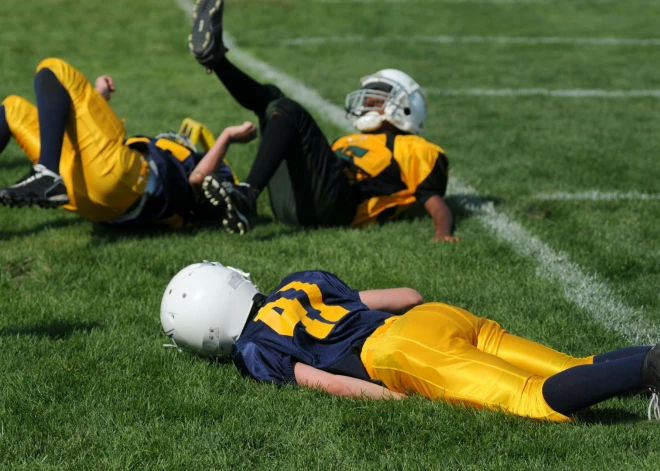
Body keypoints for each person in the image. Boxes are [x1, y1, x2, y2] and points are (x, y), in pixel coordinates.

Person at [161, 261, 660, 422]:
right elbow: (406, 294)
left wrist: (394, 399)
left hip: (400, 354)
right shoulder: (297, 282)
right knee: (569, 366)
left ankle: (650, 369)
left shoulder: (253, 350)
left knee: (533, 400)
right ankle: (648, 363)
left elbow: (323, 381)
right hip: (432, 318)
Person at [187, 0, 458, 241]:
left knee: (288, 109)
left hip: (341, 207)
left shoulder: (416, 149)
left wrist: (443, 232)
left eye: (375, 100)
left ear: (407, 108)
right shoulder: (352, 139)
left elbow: (433, 201)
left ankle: (245, 196)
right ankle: (217, 60)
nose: (366, 104)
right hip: (301, 203)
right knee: (272, 99)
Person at [0, 58, 255, 229]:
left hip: (125, 183)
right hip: (91, 196)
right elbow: (86, 144)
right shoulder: (180, 178)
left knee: (53, 68)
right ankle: (48, 175)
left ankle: (45, 173)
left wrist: (227, 137)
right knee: (11, 108)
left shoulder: (209, 174)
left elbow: (197, 179)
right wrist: (99, 100)